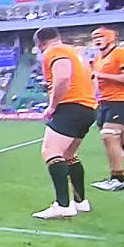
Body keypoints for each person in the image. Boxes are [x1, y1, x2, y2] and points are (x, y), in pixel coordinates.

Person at [31, 28, 96, 219]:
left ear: (40, 43)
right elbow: (93, 80)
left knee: (51, 151)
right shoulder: (77, 53)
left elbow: (63, 77)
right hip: (87, 107)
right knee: (69, 154)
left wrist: (52, 106)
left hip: (70, 107)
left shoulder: (54, 52)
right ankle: (80, 201)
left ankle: (63, 205)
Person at [89, 27, 124, 191]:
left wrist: (102, 76)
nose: (96, 39)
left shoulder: (121, 53)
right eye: (94, 36)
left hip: (121, 100)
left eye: (100, 36)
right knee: (109, 139)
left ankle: (118, 178)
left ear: (110, 37)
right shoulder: (97, 59)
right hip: (105, 101)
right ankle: (115, 175)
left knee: (109, 135)